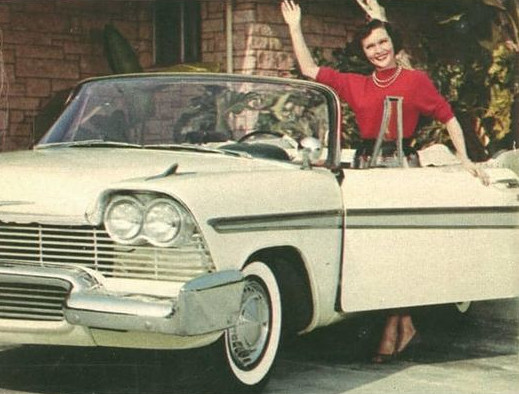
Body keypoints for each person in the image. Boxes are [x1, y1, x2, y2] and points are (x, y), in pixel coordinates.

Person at [280, 0, 489, 363]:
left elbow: (448, 117)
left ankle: (394, 327)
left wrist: (465, 159)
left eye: (382, 42)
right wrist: (294, 26)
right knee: (374, 251)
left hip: (401, 167)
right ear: (363, 53)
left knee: (399, 251)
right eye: (370, 46)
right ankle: (401, 323)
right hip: (366, 166)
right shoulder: (356, 83)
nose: (378, 51)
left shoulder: (415, 81)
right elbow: (310, 69)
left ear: (393, 43)